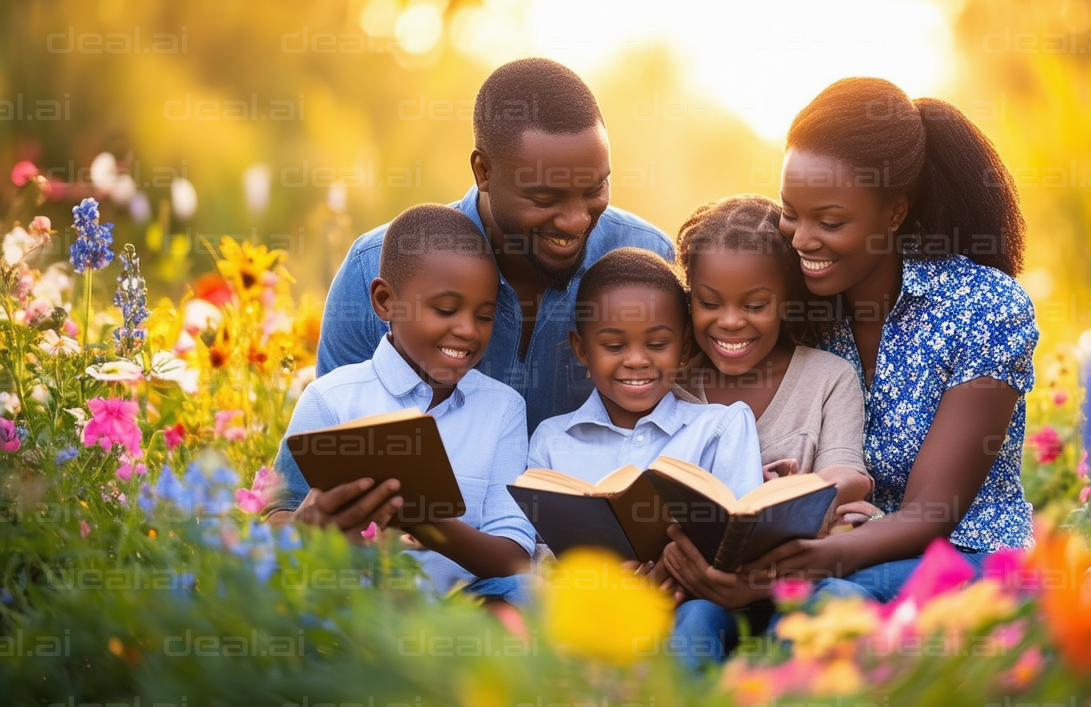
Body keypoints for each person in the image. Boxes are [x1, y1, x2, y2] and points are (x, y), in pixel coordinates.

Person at [666, 77, 1037, 643]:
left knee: (830, 605)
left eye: (830, 222)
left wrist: (786, 573)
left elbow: (928, 516)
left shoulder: (980, 307)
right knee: (704, 617)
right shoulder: (798, 307)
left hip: (963, 559)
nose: (802, 239)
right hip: (829, 552)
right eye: (791, 213)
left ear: (894, 213)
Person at [317, 58, 674, 437]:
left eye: (595, 189)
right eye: (544, 197)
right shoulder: (373, 267)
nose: (577, 221)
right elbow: (317, 461)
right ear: (483, 171)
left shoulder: (650, 261)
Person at [266, 205, 535, 603]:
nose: (467, 330)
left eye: (484, 316)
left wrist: (427, 522)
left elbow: (514, 560)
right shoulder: (330, 400)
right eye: (445, 310)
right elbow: (275, 522)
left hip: (463, 615)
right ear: (384, 301)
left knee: (527, 593)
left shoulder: (502, 409)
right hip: (354, 610)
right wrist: (308, 525)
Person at [665, 193, 874, 668]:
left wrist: (795, 495)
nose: (731, 321)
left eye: (756, 304)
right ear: (690, 298)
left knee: (834, 603)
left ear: (787, 301)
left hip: (795, 580)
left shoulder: (829, 377)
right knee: (693, 625)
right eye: (708, 303)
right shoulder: (673, 387)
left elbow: (849, 476)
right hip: (701, 590)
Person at [526, 247, 764, 499]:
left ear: (684, 348)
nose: (637, 361)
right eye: (615, 346)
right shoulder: (551, 440)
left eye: (657, 345)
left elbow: (744, 529)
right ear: (582, 350)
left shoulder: (718, 430)